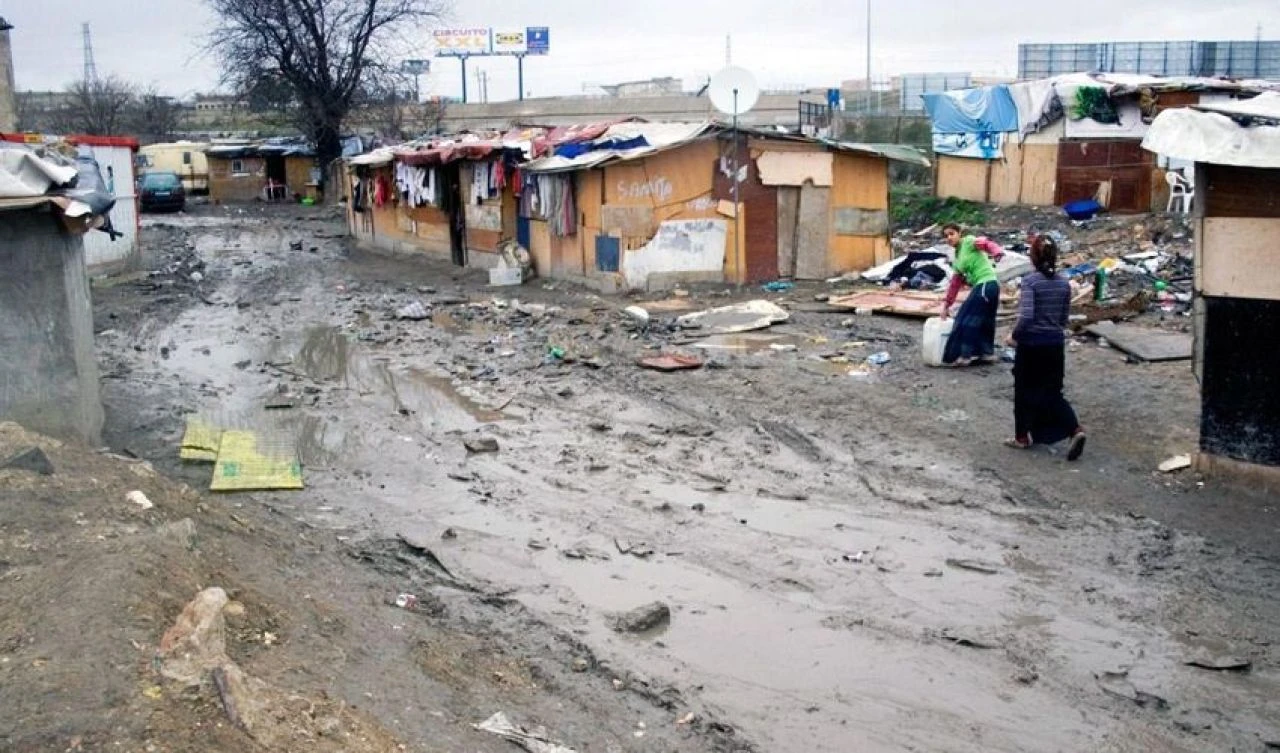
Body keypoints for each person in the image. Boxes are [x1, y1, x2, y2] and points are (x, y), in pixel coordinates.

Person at [1006, 234, 1086, 460]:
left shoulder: (1031, 282)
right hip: (1054, 345)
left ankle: (1021, 437)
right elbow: (1063, 318)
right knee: (1052, 392)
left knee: (1023, 392)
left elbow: (1027, 317)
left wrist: (1014, 336)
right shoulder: (1063, 283)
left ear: (1033, 257)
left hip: (1032, 346)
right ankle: (1075, 430)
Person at [940, 223, 1001, 365]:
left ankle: (965, 355)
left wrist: (997, 252)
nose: (949, 237)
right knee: (985, 320)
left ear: (959, 233)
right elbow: (954, 285)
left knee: (966, 318)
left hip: (986, 283)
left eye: (951, 233)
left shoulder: (968, 242)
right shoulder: (957, 258)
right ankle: (986, 353)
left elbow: (985, 244)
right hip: (987, 286)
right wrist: (946, 305)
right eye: (946, 236)